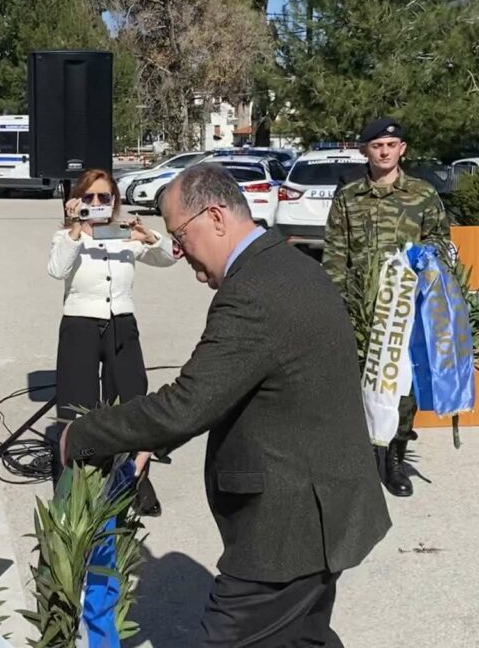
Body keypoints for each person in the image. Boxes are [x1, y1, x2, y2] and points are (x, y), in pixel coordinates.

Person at [60, 164, 391, 647]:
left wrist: (82, 435)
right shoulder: (289, 263)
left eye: (179, 236)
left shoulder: (254, 292)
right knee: (303, 639)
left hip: (289, 530)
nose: (177, 251)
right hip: (322, 510)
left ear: (214, 217)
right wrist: (150, 440)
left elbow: (188, 404)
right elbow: (243, 387)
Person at [322, 116, 451, 498]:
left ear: (402, 149)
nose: (383, 151)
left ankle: (395, 458)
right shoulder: (349, 197)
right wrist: (337, 304)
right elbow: (335, 253)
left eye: (390, 146)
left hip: (406, 308)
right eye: (376, 145)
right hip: (361, 308)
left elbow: (441, 243)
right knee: (359, 380)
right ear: (366, 150)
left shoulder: (423, 194)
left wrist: (424, 272)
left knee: (402, 384)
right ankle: (361, 458)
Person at [47, 167, 175, 515]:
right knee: (77, 405)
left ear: (115, 201)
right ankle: (75, 484)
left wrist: (149, 237)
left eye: (105, 197)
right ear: (77, 200)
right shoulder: (67, 238)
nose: (97, 203)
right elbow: (57, 269)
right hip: (80, 324)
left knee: (132, 400)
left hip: (122, 323)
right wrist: (75, 227)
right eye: (89, 197)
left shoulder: (124, 235)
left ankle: (135, 479)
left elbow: (169, 258)